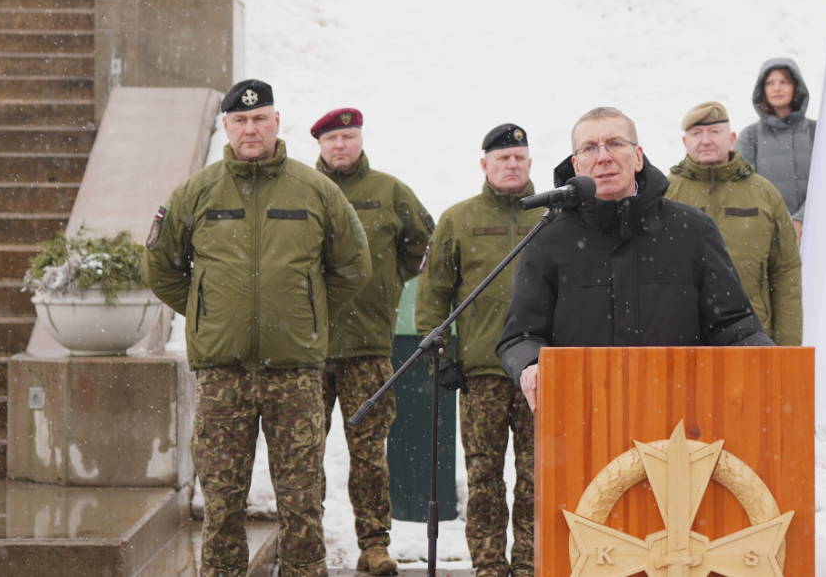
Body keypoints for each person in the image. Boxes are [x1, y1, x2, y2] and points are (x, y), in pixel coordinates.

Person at [145, 80, 371, 577]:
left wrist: (304, 310)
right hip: (222, 376)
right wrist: (209, 312)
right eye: (241, 120)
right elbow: (161, 266)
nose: (251, 128)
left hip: (294, 373)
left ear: (276, 122)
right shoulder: (197, 191)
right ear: (226, 126)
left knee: (302, 499)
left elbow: (353, 265)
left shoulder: (315, 189)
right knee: (222, 503)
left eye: (260, 118)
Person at [496, 107, 774, 411]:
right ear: (576, 165)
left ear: (638, 156)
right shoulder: (548, 240)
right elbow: (520, 337)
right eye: (589, 148)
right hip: (581, 419)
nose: (603, 157)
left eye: (615, 143)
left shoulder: (693, 231)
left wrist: (763, 359)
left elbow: (734, 324)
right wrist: (532, 363)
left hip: (679, 417)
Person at [416, 124, 544, 577]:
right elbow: (434, 291)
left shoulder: (553, 216)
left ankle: (531, 562)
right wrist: (439, 351)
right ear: (484, 164)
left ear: (530, 164)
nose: (512, 165)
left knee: (538, 478)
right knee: (485, 478)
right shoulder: (459, 219)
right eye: (503, 158)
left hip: (541, 372)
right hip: (481, 373)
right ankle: (490, 564)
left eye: (519, 158)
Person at [311, 108, 431, 577]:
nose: (341, 145)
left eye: (349, 136)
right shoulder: (303, 188)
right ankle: (305, 542)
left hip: (368, 345)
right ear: (319, 144)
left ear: (361, 139)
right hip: (306, 348)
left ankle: (374, 545)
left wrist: (389, 281)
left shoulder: (390, 191)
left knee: (368, 455)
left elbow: (423, 241)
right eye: (333, 138)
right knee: (302, 456)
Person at [666, 101, 803, 345]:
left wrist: (787, 348)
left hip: (752, 340)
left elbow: (785, 271)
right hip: (682, 341)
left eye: (714, 132)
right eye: (696, 133)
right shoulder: (666, 194)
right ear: (685, 142)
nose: (706, 140)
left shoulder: (764, 194)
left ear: (731, 139)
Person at [737, 58, 815, 241]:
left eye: (784, 81)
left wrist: (801, 220)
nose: (777, 88)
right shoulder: (750, 137)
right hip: (769, 236)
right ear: (762, 90)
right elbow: (742, 189)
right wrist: (782, 224)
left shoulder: (816, 132)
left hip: (816, 233)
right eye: (770, 83)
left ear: (796, 86)